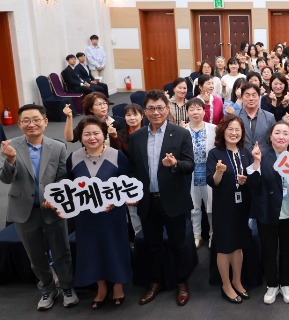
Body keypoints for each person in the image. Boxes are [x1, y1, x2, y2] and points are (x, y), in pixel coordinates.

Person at [0, 104, 79, 310]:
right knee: (35, 255)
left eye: (36, 119)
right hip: (24, 210)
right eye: (26, 120)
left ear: (45, 122)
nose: (31, 124)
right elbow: (6, 178)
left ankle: (67, 287)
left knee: (61, 251)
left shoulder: (58, 147)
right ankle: (47, 288)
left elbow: (62, 177)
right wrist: (10, 159)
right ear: (18, 124)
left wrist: (56, 198)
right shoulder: (11, 145)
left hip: (52, 208)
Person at [128, 90, 195, 306]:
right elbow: (133, 169)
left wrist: (175, 165)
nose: (156, 112)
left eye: (160, 108)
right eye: (151, 108)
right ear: (144, 111)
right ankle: (155, 282)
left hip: (173, 200)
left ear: (168, 109)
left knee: (179, 244)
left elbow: (190, 165)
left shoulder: (181, 134)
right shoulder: (136, 137)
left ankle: (182, 283)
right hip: (148, 201)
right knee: (152, 245)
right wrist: (132, 193)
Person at [67, 116, 131, 309]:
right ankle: (101, 287)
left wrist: (117, 201)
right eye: (87, 134)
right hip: (85, 217)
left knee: (114, 248)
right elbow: (69, 186)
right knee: (92, 250)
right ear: (81, 137)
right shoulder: (74, 157)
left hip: (112, 215)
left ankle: (118, 285)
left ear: (104, 135)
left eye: (96, 133)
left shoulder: (116, 155)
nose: (92, 137)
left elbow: (127, 185)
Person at [249, 121, 289, 304]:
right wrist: (256, 162)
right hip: (268, 213)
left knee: (288, 251)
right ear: (270, 136)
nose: (281, 136)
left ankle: (286, 284)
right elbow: (254, 186)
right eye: (277, 133)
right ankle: (272, 285)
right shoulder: (262, 156)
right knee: (269, 251)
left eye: (285, 134)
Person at [206, 115, 254, 304]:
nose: (234, 133)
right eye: (230, 129)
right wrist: (219, 171)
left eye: (237, 130)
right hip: (223, 207)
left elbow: (253, 178)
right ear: (222, 131)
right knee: (224, 247)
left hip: (242, 207)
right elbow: (213, 182)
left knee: (238, 245)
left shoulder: (245, 152)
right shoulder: (215, 153)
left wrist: (246, 180)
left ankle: (237, 280)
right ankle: (226, 284)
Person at [184, 98, 216, 248]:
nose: (195, 112)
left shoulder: (214, 129)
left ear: (204, 111)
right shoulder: (182, 130)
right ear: (187, 112)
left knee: (211, 207)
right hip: (191, 173)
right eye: (192, 109)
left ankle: (213, 235)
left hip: (209, 173)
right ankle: (196, 235)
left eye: (198, 109)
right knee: (194, 207)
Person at [111, 103, 144, 235]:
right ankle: (138, 236)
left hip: (148, 176)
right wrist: (113, 138)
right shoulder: (119, 135)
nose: (132, 118)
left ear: (142, 116)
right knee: (133, 211)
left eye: (135, 114)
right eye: (128, 115)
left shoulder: (149, 132)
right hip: (129, 177)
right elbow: (117, 157)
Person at [237, 83, 276, 151]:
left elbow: (273, 140)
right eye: (247, 95)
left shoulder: (269, 117)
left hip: (263, 158)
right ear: (242, 97)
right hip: (240, 157)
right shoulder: (235, 116)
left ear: (259, 97)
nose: (251, 99)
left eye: (254, 95)